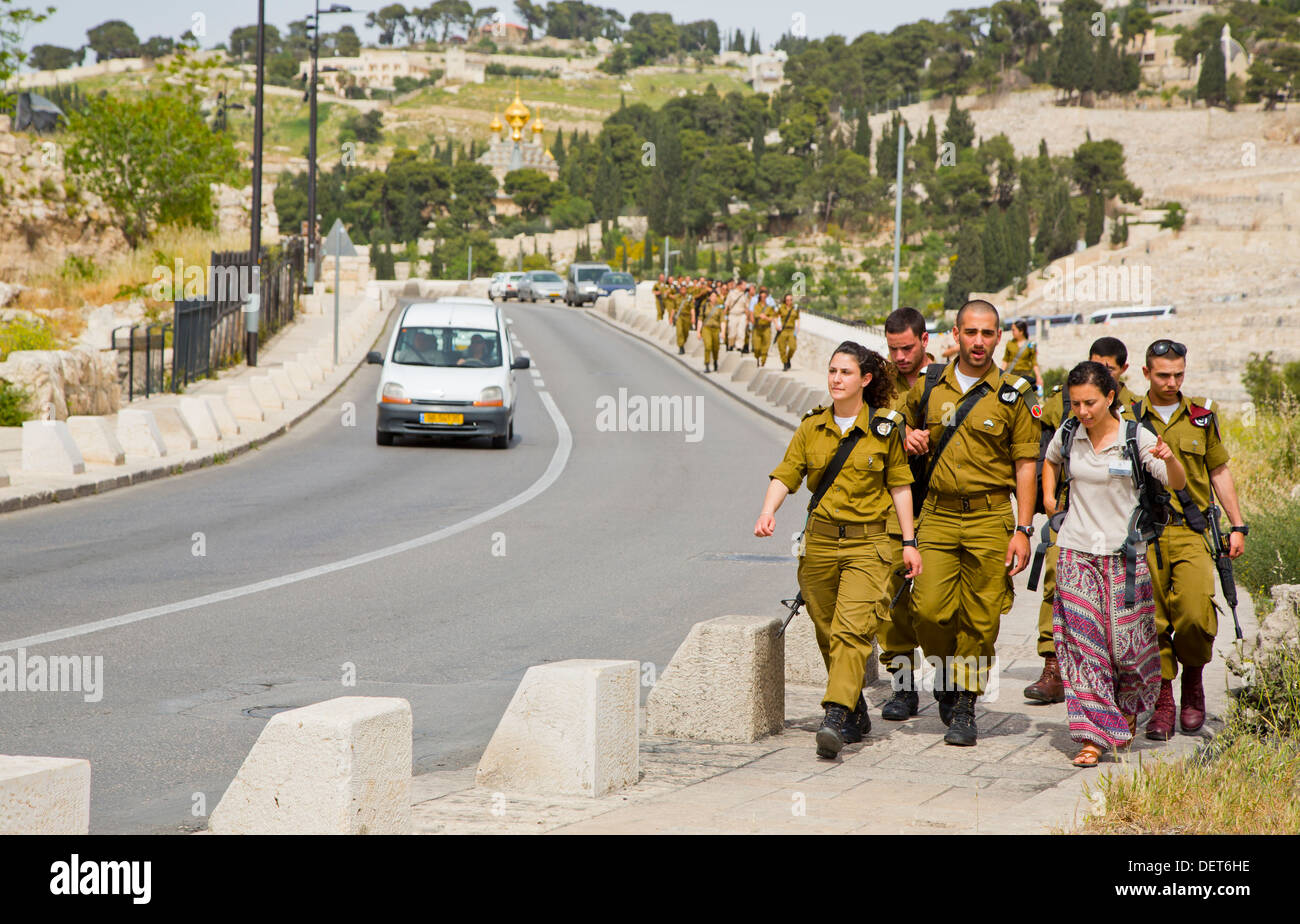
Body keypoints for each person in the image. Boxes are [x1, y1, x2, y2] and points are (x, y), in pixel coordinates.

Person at [756, 341, 921, 758]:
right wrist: (767, 511)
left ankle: (833, 716)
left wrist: (908, 542)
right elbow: (786, 473)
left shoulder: (885, 428)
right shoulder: (812, 427)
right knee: (827, 630)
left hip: (870, 544)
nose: (835, 379)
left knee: (852, 629)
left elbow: (900, 486)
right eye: (832, 371)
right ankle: (856, 708)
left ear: (865, 379)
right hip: (821, 543)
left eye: (845, 372)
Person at [902, 299, 1040, 746]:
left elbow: (1025, 465)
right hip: (938, 515)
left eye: (987, 333)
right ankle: (945, 673)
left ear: (998, 337)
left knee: (981, 620)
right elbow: (893, 428)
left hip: (991, 517)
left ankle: (964, 703)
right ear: (955, 335)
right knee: (927, 610)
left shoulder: (1015, 394)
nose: (978, 341)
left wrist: (1023, 529)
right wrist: (908, 436)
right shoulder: (928, 387)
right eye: (970, 332)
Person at [1042, 361, 1186, 766]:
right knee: (1086, 647)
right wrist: (1051, 500)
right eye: (1075, 404)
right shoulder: (1068, 433)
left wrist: (1170, 458)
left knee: (1128, 649)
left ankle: (1126, 708)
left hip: (1125, 557)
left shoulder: (1134, 435)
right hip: (1076, 551)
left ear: (1110, 397)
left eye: (1090, 402)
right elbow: (1050, 460)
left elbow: (1175, 482)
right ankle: (1093, 735)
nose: (1083, 411)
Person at [1132, 339, 1247, 740]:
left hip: (1191, 532)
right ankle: (1163, 698)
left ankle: (1193, 680)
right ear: (1145, 373)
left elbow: (1219, 471)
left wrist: (1237, 523)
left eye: (1179, 373)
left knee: (1196, 613)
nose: (1172, 381)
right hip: (1144, 534)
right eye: (1163, 374)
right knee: (1152, 620)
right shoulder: (1129, 418)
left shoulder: (1201, 418)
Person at [1025, 337, 1140, 705]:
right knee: (1056, 583)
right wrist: (1047, 500)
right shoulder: (1065, 401)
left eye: (1108, 368)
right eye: (1095, 365)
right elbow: (1047, 450)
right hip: (1071, 513)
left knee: (1119, 606)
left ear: (1120, 373)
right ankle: (1053, 666)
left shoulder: (1137, 410)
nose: (1084, 407)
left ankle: (1119, 680)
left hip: (1118, 523)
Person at [877, 306, 933, 720]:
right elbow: (861, 418)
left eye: (907, 348)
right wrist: (901, 430)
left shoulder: (948, 379)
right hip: (892, 502)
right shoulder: (879, 384)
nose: (899, 357)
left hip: (940, 504)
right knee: (892, 603)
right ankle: (902, 687)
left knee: (939, 605)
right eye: (893, 348)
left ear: (925, 341)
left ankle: (952, 687)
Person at [1001, 320, 1043, 395]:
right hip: (1012, 376)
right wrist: (1001, 375)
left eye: (1014, 330)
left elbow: (1034, 362)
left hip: (1026, 377)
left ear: (1021, 331)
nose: (1012, 332)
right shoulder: (1009, 344)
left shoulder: (1031, 345)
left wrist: (1038, 377)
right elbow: (1005, 360)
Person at [698, 289, 725, 372]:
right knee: (708, 346)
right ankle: (707, 364)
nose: (714, 298)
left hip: (716, 329)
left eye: (715, 296)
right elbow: (700, 319)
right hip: (706, 328)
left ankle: (715, 361)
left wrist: (723, 332)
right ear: (709, 297)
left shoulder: (719, 307)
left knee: (716, 348)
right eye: (712, 296)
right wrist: (698, 331)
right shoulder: (704, 306)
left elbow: (722, 320)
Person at [750, 287, 776, 367]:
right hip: (757, 328)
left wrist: (766, 318)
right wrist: (759, 316)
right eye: (762, 296)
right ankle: (757, 359)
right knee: (757, 347)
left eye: (765, 297)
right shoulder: (756, 306)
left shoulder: (769, 307)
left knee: (765, 346)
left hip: (766, 328)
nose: (763, 298)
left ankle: (763, 362)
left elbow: (772, 317)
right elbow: (754, 314)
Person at [775, 293, 800, 371]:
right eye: (787, 300)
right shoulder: (781, 308)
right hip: (783, 330)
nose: (789, 301)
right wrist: (777, 325)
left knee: (793, 347)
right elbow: (775, 316)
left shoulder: (795, 308)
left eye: (791, 300)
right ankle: (785, 363)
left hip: (791, 329)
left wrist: (797, 328)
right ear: (785, 300)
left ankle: (788, 358)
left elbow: (798, 318)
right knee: (782, 348)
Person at [724, 280, 749, 352]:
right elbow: (727, 305)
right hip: (733, 314)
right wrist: (723, 316)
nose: (745, 287)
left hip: (741, 315)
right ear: (739, 285)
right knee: (732, 332)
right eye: (744, 285)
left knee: (741, 333)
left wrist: (747, 318)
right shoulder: (731, 294)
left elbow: (746, 307)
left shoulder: (744, 295)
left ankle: (739, 347)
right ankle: (731, 345)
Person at [674, 278, 695, 355]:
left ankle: (683, 342)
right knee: (679, 331)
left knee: (685, 332)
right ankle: (681, 347)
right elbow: (673, 308)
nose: (683, 290)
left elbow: (692, 308)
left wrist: (693, 318)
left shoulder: (689, 298)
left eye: (684, 289)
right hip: (679, 316)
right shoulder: (676, 297)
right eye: (681, 289)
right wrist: (671, 317)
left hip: (687, 317)